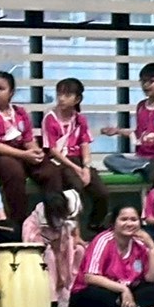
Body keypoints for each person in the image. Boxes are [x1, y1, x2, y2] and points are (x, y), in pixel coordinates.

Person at [70, 205, 154, 307]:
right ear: (113, 223)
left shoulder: (140, 244)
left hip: (126, 295)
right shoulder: (103, 240)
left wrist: (152, 247)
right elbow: (90, 277)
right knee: (100, 297)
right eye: (124, 219)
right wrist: (123, 289)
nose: (129, 223)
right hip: (97, 291)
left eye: (134, 220)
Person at [0, 70, 64, 225]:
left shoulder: (20, 112)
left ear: (11, 92)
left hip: (23, 152)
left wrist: (35, 151)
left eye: (1, 89)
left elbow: (28, 139)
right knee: (14, 172)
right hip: (2, 155)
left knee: (50, 170)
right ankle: (19, 223)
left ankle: (54, 218)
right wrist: (23, 155)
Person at [42, 78, 109, 233]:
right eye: (59, 94)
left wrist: (86, 167)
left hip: (78, 161)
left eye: (67, 95)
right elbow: (53, 150)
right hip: (60, 162)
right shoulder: (50, 118)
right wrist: (76, 168)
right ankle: (75, 233)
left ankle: (95, 223)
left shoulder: (80, 119)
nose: (61, 98)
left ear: (77, 99)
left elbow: (85, 144)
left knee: (102, 192)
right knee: (76, 187)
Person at [101, 63, 154, 175]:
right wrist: (117, 131)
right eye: (143, 81)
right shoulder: (141, 106)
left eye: (151, 81)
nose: (146, 85)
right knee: (110, 160)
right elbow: (139, 134)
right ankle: (144, 168)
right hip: (143, 157)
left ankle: (149, 168)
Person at [22, 191, 85, 307]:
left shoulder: (71, 202)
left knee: (79, 250)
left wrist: (76, 236)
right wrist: (53, 247)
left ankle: (71, 291)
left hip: (62, 238)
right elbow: (44, 242)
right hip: (41, 242)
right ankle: (52, 302)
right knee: (49, 257)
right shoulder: (40, 218)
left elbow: (74, 220)